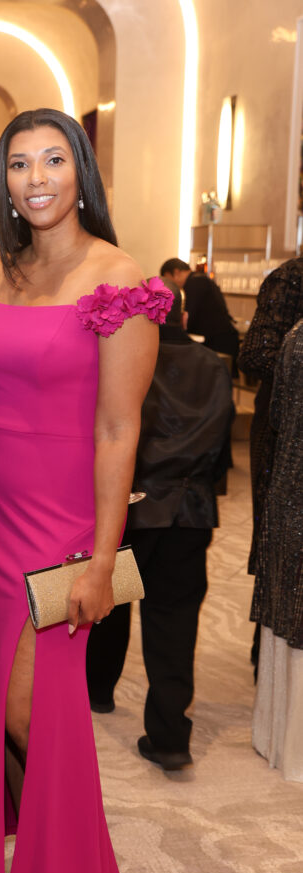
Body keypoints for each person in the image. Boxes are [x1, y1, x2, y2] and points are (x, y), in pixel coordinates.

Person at [0, 108, 170, 873]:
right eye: (17, 163)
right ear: (1, 180)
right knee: (5, 703)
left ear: (80, 170)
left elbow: (120, 431)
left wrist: (102, 560)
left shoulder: (118, 279)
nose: (35, 177)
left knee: (30, 711)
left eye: (52, 159)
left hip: (64, 523)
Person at [86, 281, 234, 770]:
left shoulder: (126, 359)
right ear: (185, 319)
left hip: (132, 505)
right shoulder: (214, 366)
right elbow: (220, 447)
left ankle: (99, 691)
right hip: (189, 511)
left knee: (111, 602)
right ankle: (170, 736)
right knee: (175, 621)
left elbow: (110, 429)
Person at [250, 320, 303, 779]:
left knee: (289, 608)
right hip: (293, 489)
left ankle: (278, 736)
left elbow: (277, 415)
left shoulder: (296, 335)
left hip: (289, 483)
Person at [160, 257, 239, 363]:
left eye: (168, 279)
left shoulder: (195, 283)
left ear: (176, 272)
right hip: (222, 340)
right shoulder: (200, 279)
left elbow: (190, 318)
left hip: (219, 343)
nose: (170, 285)